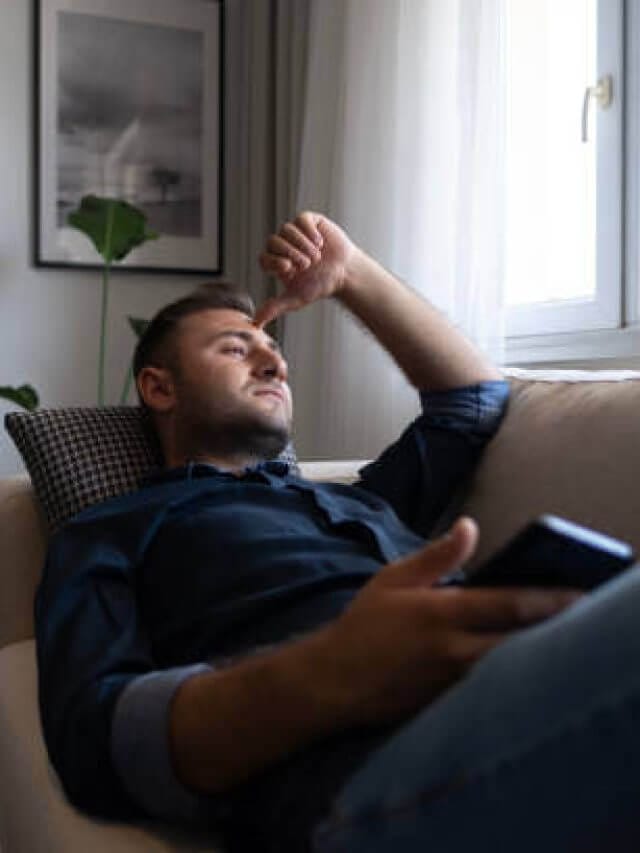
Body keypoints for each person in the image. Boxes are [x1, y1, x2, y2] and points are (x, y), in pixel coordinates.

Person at [36, 213, 640, 852]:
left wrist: (350, 272)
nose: (273, 363)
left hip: (520, 695)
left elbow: (475, 398)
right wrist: (333, 670)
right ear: (159, 388)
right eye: (237, 348)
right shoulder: (110, 530)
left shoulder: (357, 503)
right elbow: (93, 740)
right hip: (362, 780)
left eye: (274, 351)